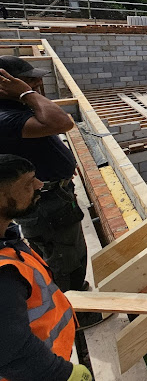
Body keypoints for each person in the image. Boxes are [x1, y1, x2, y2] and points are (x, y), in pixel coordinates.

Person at [0, 154, 93, 381]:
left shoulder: (7, 240)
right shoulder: (4, 275)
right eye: (28, 183)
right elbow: (11, 351)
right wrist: (63, 374)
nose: (39, 185)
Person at [0, 56, 88, 293]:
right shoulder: (5, 117)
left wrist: (63, 168)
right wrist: (26, 93)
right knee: (64, 259)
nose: (37, 83)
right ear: (6, 84)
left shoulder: (17, 109)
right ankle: (75, 303)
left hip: (54, 195)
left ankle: (74, 291)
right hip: (45, 206)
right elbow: (62, 122)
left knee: (69, 251)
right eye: (28, 80)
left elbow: (42, 141)